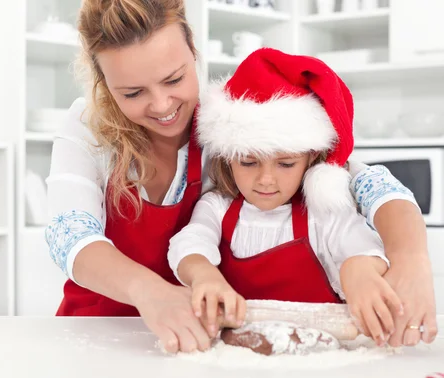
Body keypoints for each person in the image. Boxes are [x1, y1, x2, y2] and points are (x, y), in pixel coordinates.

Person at [45, 0, 436, 353]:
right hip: (95, 334)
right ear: (103, 84)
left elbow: (366, 183)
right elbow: (69, 236)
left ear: (194, 52)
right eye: (132, 93)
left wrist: (410, 259)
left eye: (175, 79)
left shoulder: (230, 126)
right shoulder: (88, 128)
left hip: (196, 340)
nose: (163, 106)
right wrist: (150, 292)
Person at [168, 48, 403, 347]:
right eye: (249, 162)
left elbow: (360, 246)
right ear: (228, 159)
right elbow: (192, 240)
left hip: (319, 362)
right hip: (236, 363)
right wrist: (202, 274)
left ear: (310, 159)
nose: (266, 179)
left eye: (286, 164)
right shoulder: (217, 207)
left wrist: (360, 269)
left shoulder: (323, 213)